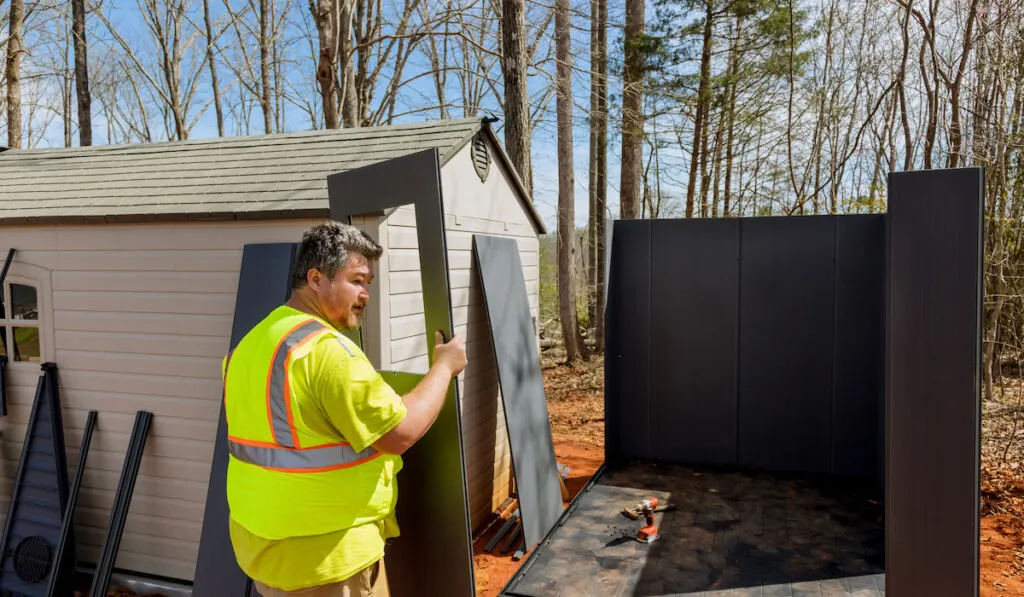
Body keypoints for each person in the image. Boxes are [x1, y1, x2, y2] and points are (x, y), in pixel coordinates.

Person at [222, 222, 468, 597]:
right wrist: (444, 368)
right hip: (328, 560)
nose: (366, 293)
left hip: (265, 551)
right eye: (356, 280)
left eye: (368, 282)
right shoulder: (327, 352)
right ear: (316, 279)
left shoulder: (248, 346)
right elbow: (399, 433)